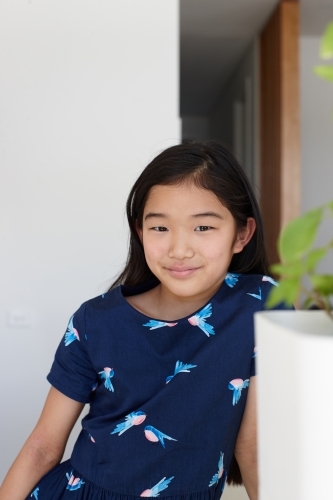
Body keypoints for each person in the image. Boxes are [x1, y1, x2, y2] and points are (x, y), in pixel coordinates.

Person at [0, 141, 287, 500]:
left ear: (241, 234)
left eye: (203, 228)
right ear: (140, 232)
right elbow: (42, 446)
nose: (179, 249)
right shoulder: (95, 321)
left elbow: (254, 447)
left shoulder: (260, 305)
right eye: (160, 228)